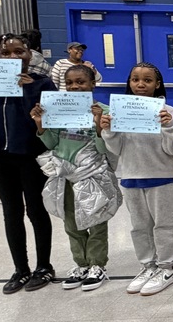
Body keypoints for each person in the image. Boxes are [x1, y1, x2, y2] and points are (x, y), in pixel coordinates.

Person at [0, 33, 56, 294]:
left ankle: (44, 266)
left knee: (37, 210)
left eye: (20, 52)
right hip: (0, 155)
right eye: (7, 53)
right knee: (11, 212)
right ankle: (21, 269)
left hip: (31, 155)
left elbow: (43, 121)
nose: (14, 57)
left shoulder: (42, 84)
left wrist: (27, 90)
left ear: (30, 55)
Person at [32, 64, 120, 291]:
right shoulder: (57, 110)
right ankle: (80, 264)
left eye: (81, 82)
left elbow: (105, 149)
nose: (74, 87)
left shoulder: (104, 110)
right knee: (71, 223)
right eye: (70, 83)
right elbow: (52, 144)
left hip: (94, 174)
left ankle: (97, 265)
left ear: (93, 84)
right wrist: (41, 125)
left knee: (97, 221)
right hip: (66, 175)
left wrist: (100, 127)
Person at [101, 62, 173, 295]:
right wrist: (108, 130)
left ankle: (167, 267)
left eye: (147, 80)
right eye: (135, 79)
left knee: (164, 224)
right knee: (139, 226)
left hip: (161, 176)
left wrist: (167, 126)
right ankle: (148, 265)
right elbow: (116, 149)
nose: (140, 84)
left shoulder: (169, 111)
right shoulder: (120, 110)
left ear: (157, 84)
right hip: (130, 176)